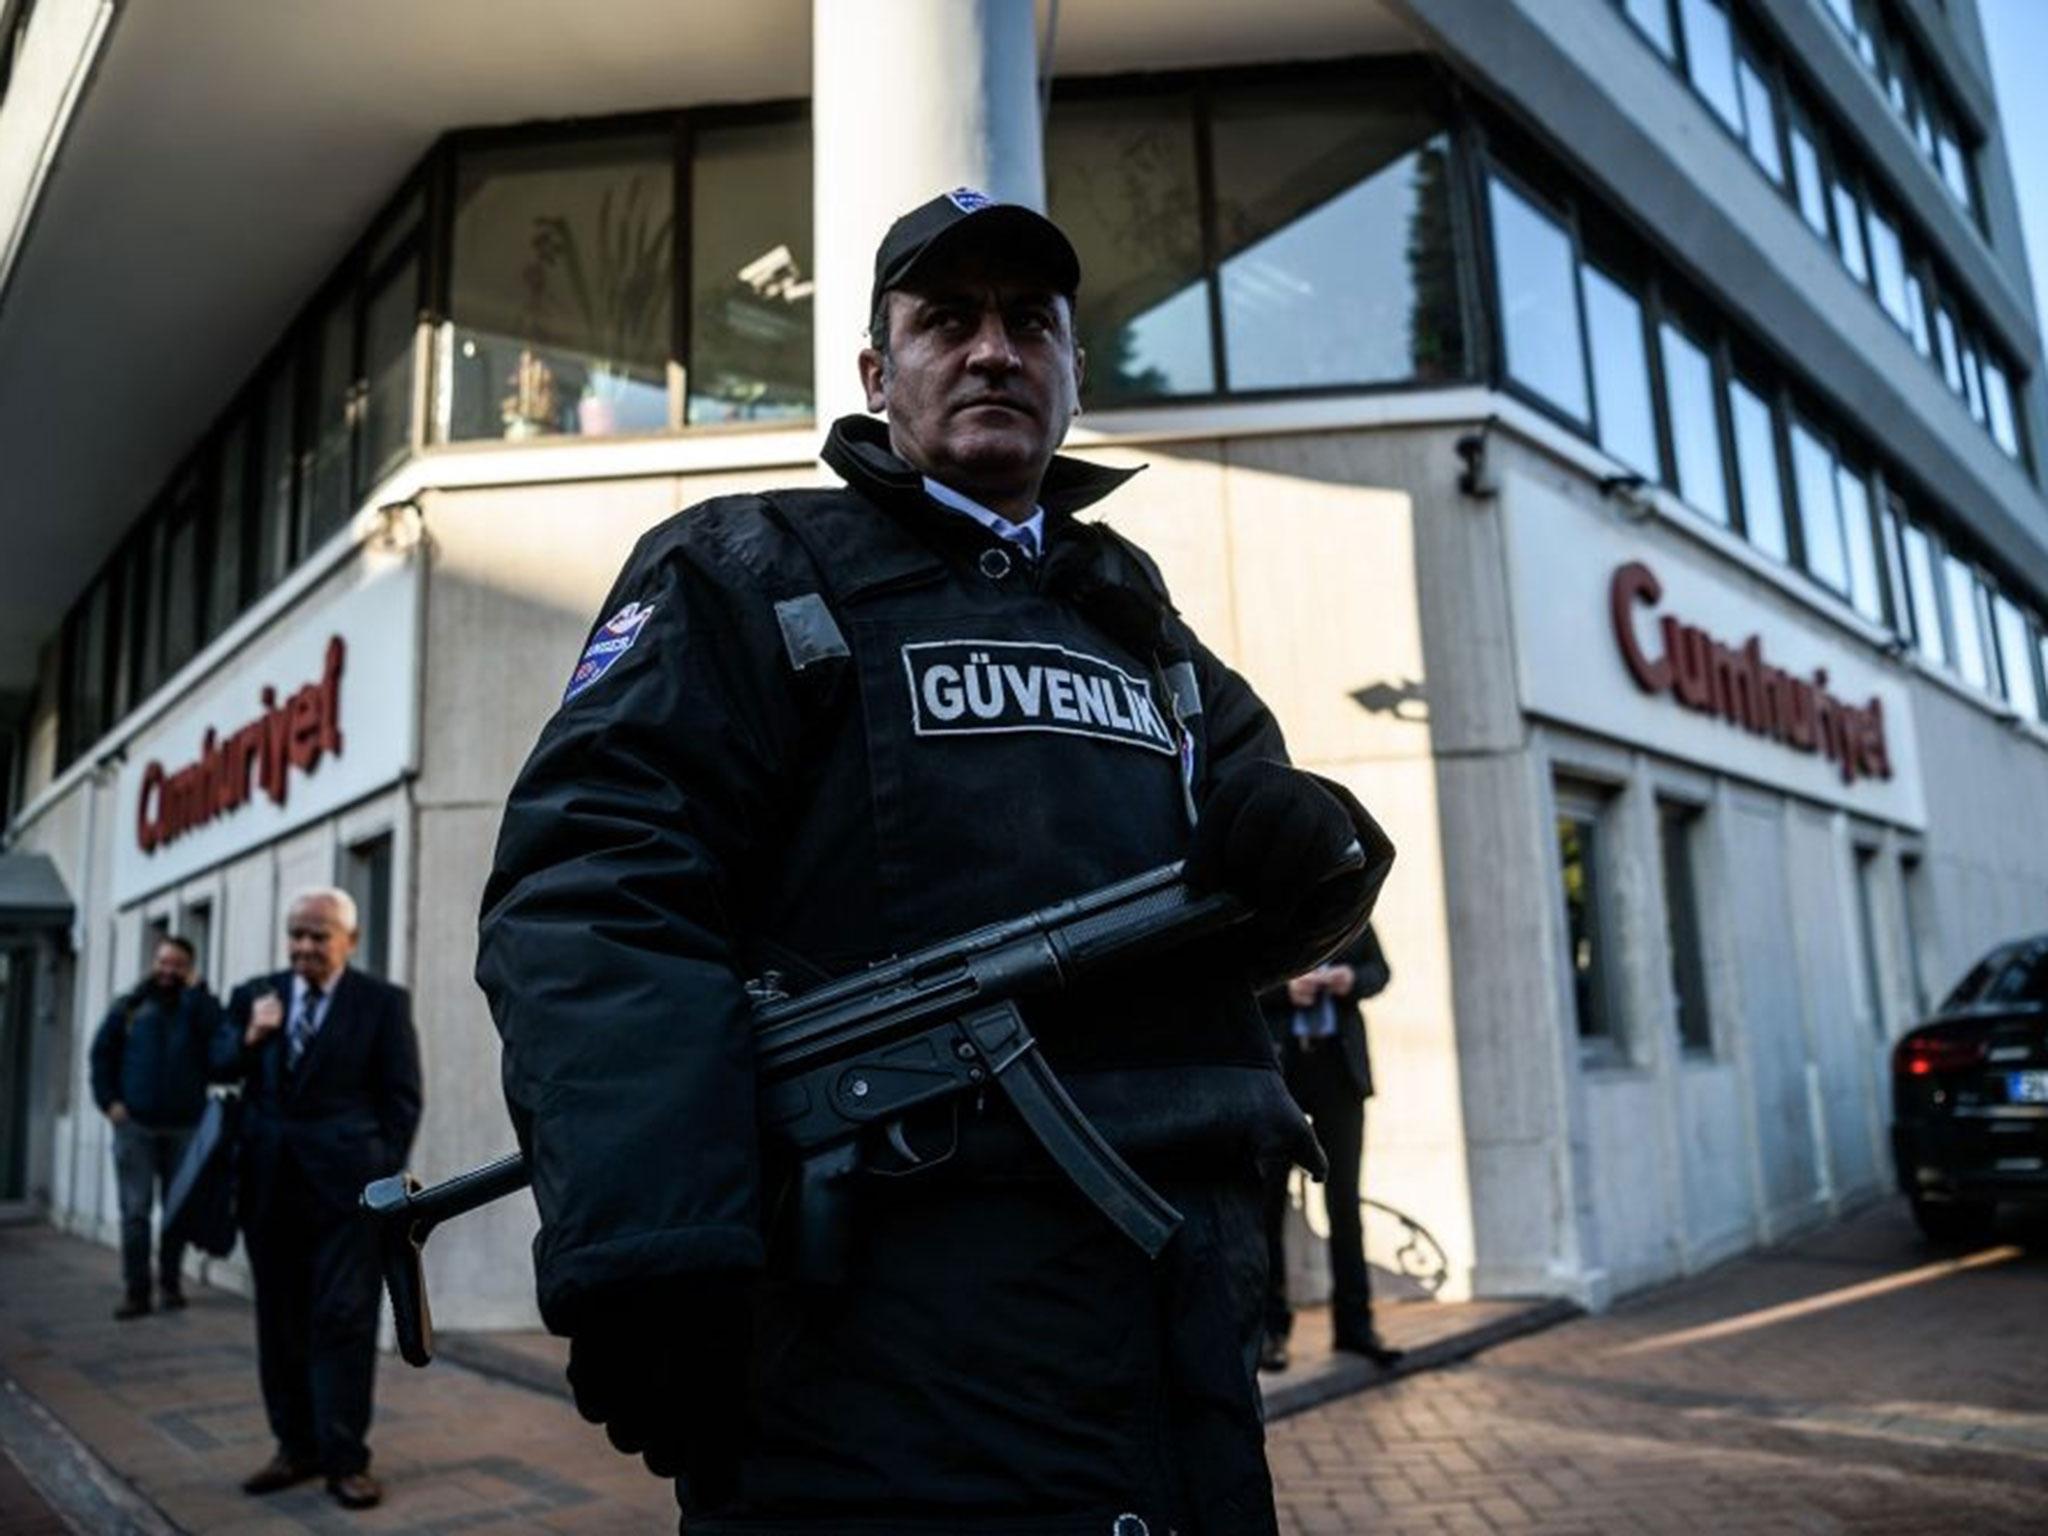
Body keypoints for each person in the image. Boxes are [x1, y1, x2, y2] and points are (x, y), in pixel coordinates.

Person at [477, 188, 1394, 1535]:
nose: (993, 349)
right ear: (874, 371)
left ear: (1073, 372)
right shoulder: (749, 569)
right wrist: (651, 1247)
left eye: (1032, 323)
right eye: (945, 320)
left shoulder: (1139, 621)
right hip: (886, 1366)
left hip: (1179, 1346)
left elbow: (1274, 867)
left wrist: (1319, 851)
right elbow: (594, 891)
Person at [212, 888, 421, 1512]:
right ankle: (294, 1448)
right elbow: (218, 1065)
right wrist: (252, 1035)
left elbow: (401, 1099)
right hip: (269, 1190)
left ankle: (345, 1460)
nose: (304, 946)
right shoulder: (257, 995)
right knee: (278, 1325)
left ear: (349, 941)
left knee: (343, 1322)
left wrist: (378, 1175)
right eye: (296, 933)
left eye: (318, 935)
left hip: (345, 1198)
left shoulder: (381, 1004)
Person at [1257, 924, 1403, 1375]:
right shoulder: (1268, 910)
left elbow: (1379, 971)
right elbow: (1238, 985)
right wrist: (1286, 991)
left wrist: (1351, 981)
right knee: (1267, 1206)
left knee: (1345, 1202)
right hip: (1281, 1074)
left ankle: (1356, 1326)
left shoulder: (1348, 907)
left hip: (1340, 1072)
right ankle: (1270, 1332)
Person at [88, 935, 220, 1319]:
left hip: (185, 1128)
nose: (168, 970)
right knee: (135, 1212)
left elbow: (219, 1037)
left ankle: (170, 1284)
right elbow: (101, 1057)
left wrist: (199, 993)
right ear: (153, 962)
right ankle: (137, 1291)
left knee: (176, 1211)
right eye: (163, 962)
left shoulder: (197, 1008)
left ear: (189, 968)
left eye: (177, 964)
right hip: (136, 1127)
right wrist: (108, 1102)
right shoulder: (129, 1006)